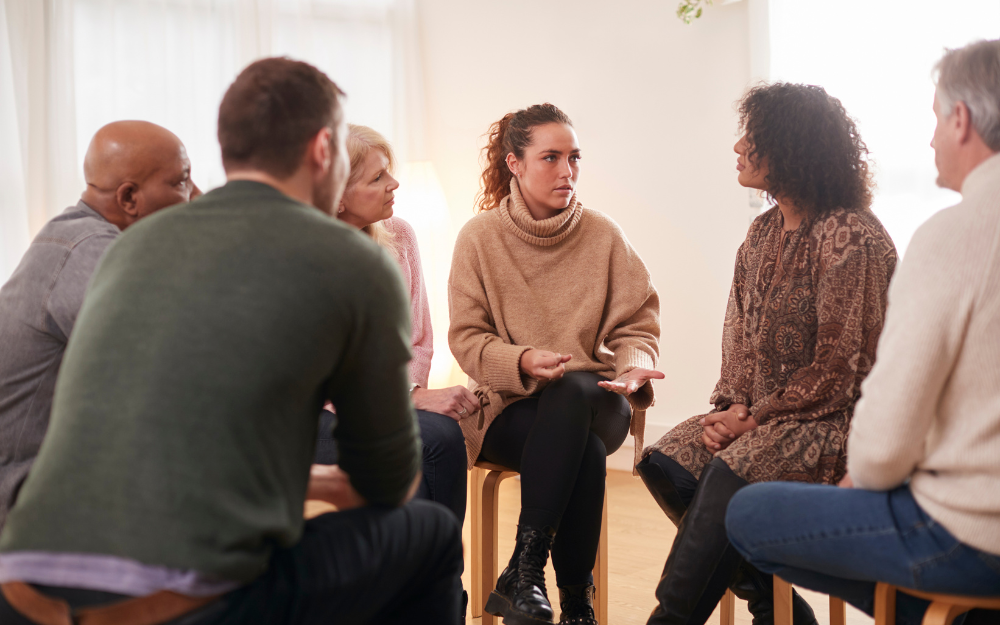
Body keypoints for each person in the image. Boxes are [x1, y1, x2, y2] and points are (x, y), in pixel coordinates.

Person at [0, 57, 462, 625]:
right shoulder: (354, 261)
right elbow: (389, 480)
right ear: (323, 151)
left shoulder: (132, 245)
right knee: (432, 531)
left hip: (22, 585)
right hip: (164, 605)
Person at [726, 40, 1000, 625]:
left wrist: (867, 472)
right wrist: (737, 404)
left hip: (972, 537)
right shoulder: (760, 237)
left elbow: (880, 435)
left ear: (962, 119)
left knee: (749, 513)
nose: (929, 141)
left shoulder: (949, 237)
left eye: (934, 120)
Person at [636, 83, 898, 625]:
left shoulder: (850, 234)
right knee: (666, 463)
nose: (737, 147)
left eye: (750, 137)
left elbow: (840, 366)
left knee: (731, 470)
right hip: (763, 418)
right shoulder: (760, 233)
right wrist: (731, 406)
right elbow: (738, 339)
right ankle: (777, 609)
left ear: (787, 146)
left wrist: (754, 420)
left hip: (834, 421)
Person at [449, 103, 662, 625]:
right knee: (583, 454)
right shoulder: (479, 238)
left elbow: (638, 323)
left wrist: (633, 365)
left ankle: (523, 572)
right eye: (551, 158)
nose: (567, 172)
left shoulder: (603, 235)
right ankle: (576, 610)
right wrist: (521, 359)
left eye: (574, 158)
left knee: (573, 392)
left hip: (595, 401)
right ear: (514, 164)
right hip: (511, 406)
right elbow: (467, 338)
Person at [0, 120, 198, 530]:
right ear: (129, 198)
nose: (196, 196)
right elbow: (174, 364)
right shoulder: (89, 252)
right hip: (23, 492)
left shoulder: (81, 236)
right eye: (182, 182)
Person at [314, 123, 474, 525]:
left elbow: (419, 341)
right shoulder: (302, 257)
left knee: (443, 434)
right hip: (311, 414)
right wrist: (406, 395)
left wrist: (406, 392)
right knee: (411, 456)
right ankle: (418, 580)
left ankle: (442, 583)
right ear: (337, 198)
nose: (394, 182)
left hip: (381, 400)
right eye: (378, 177)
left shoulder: (399, 236)